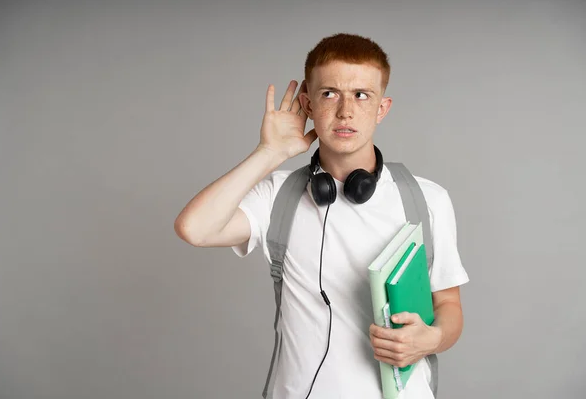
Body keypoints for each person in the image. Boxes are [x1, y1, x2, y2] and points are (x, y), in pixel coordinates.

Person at [174, 33, 469, 399]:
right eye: (330, 93)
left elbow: (449, 306)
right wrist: (269, 152)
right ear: (308, 104)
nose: (345, 111)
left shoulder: (427, 199)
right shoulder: (277, 195)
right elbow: (194, 228)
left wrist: (432, 338)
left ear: (382, 108)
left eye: (362, 95)